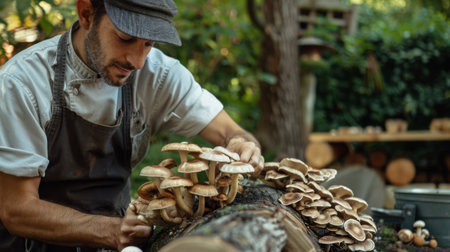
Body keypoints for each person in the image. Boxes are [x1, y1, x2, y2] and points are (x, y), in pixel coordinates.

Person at [0, 0, 264, 251]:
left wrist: (242, 145)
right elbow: (17, 208)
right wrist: (112, 231)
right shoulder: (21, 84)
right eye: (125, 38)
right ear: (87, 14)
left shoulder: (158, 76)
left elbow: (231, 132)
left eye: (148, 44)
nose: (137, 61)